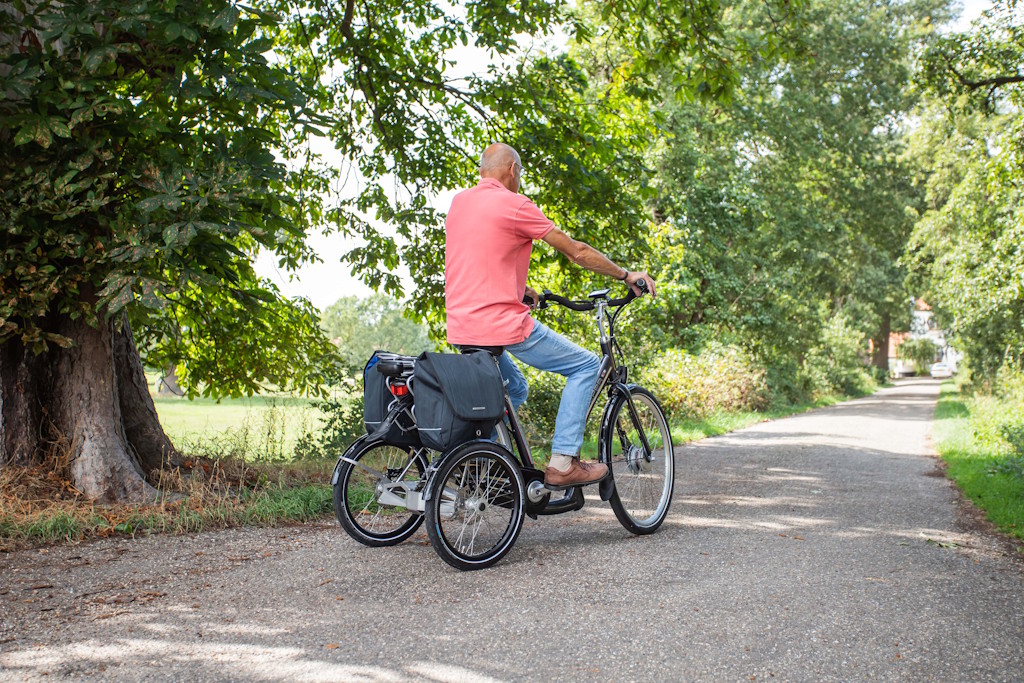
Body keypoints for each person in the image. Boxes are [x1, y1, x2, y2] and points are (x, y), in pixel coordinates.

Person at [444, 142, 657, 487]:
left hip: (462, 326)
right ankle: (562, 463)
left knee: (515, 388)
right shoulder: (515, 205)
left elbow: (478, 257)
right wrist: (625, 275)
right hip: (502, 326)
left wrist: (518, 289)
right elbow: (577, 251)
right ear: (512, 170)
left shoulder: (459, 203)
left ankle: (477, 456)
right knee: (587, 365)